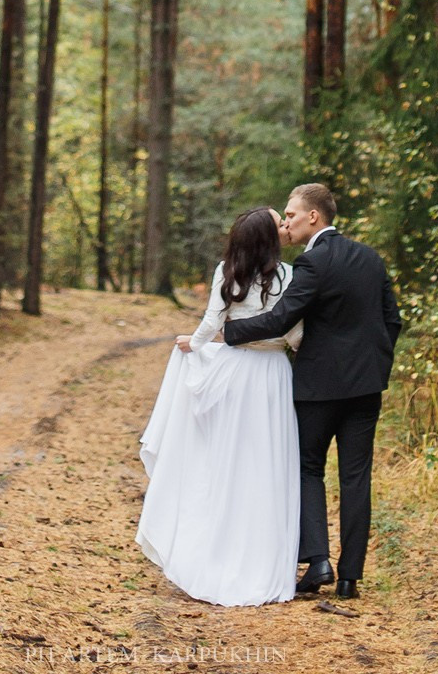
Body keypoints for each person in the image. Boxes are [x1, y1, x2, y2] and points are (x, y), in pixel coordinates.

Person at [221, 182, 402, 600]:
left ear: (313, 217)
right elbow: (392, 321)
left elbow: (281, 320)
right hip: (366, 389)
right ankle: (349, 578)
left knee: (308, 469)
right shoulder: (370, 258)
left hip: (318, 388)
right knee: (357, 477)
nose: (286, 221)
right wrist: (376, 365)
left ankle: (318, 559)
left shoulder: (312, 263)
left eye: (291, 214)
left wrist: (228, 332)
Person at [136, 207, 303, 606]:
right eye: (279, 221)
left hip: (234, 371)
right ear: (267, 236)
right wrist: (292, 348)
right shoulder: (288, 276)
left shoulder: (226, 270)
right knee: (265, 465)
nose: (284, 226)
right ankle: (261, 559)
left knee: (225, 461)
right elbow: (294, 331)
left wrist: (192, 344)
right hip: (271, 376)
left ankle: (213, 550)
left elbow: (213, 319)